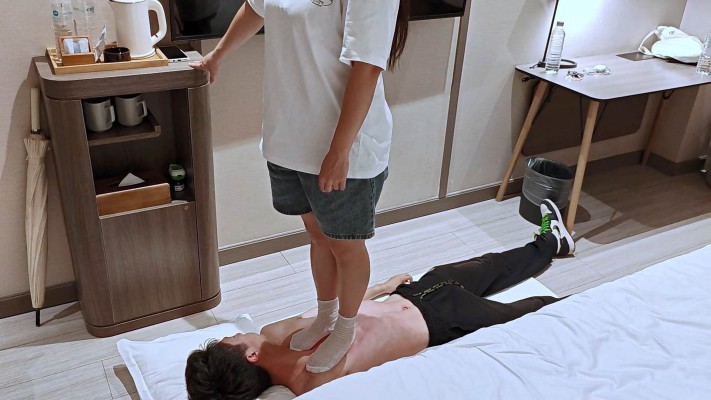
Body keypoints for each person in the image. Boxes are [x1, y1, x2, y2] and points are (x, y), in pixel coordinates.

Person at [189, 0, 411, 373]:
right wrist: (217, 56)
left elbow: (368, 66)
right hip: (287, 138)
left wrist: (340, 150)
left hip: (341, 145)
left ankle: (346, 326)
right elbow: (256, 7)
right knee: (318, 235)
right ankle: (325, 315)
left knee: (346, 245)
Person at [185, 200, 576, 399]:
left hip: (415, 291)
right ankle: (587, 305)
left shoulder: (274, 333)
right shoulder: (312, 383)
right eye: (231, 340)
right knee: (533, 312)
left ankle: (551, 243)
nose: (235, 334)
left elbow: (330, 309)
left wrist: (381, 288)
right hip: (443, 320)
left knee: (490, 265)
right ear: (250, 356)